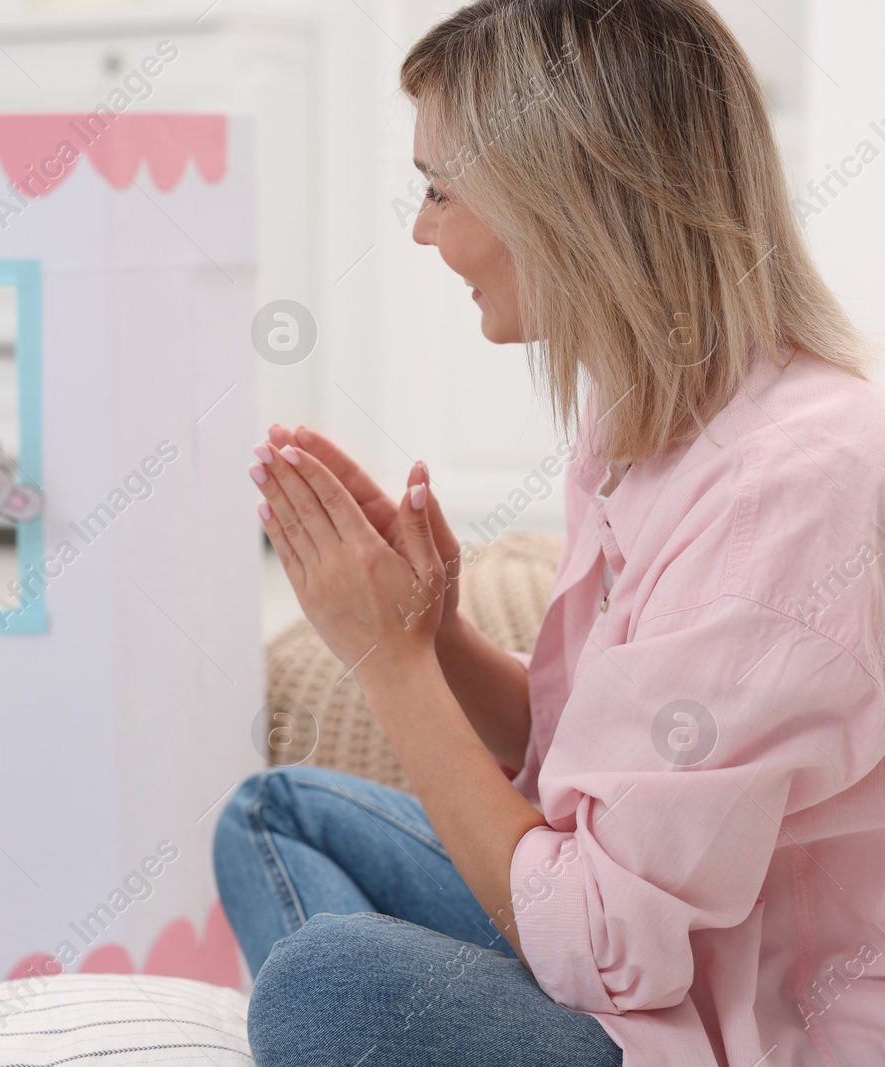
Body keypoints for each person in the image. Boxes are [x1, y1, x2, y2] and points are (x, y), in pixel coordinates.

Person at [215, 1, 885, 1064]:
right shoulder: (641, 420)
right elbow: (603, 760)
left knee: (322, 984)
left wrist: (388, 666)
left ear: (559, 196)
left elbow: (603, 940)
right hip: (645, 967)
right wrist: (435, 634)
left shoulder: (787, 486)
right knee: (275, 810)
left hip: (734, 1026)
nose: (422, 229)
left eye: (440, 189)